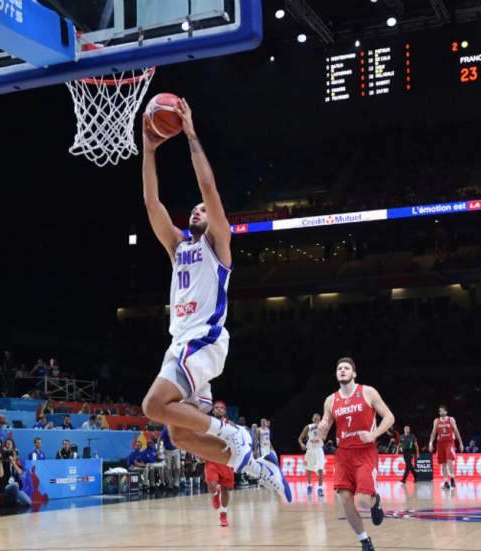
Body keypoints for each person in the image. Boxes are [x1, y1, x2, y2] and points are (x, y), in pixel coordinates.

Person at [137, 100, 288, 500]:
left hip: (204, 338)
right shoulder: (176, 245)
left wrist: (189, 133)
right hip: (181, 342)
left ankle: (234, 433)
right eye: (194, 209)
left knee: (152, 405)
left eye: (205, 209)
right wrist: (149, 151)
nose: (198, 209)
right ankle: (255, 465)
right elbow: (153, 204)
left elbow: (208, 187)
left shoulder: (219, 245)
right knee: (179, 435)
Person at [316, 358, 395, 551]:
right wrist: (321, 429)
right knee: (344, 499)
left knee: (363, 501)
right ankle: (364, 540)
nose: (342, 370)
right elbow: (323, 433)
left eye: (346, 368)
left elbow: (390, 417)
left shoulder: (367, 392)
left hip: (365, 452)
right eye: (339, 368)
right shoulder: (331, 400)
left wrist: (373, 435)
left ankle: (375, 502)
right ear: (336, 374)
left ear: (354, 373)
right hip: (343, 455)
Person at [205, 401, 236, 527]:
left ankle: (223, 514)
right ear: (213, 411)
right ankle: (215, 494)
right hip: (212, 457)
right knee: (212, 485)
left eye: (221, 408)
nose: (218, 410)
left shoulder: (231, 425)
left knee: (225, 487)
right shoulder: (207, 423)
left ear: (225, 411)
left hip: (226, 459)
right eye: (216, 408)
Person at [428, 405, 463, 491]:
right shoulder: (436, 421)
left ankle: (452, 478)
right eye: (440, 411)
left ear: (446, 412)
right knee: (443, 463)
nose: (441, 412)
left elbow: (456, 431)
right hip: (440, 444)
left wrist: (461, 443)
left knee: (449, 460)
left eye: (443, 411)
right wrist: (430, 443)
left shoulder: (451, 419)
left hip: (450, 442)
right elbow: (433, 433)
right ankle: (446, 482)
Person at [298, 413, 326, 496]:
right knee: (309, 469)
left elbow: (324, 438)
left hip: (319, 449)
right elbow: (300, 438)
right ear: (313, 419)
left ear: (320, 419)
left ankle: (320, 489)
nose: (316, 419)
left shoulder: (322, 426)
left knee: (320, 469)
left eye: (318, 418)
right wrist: (301, 444)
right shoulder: (308, 427)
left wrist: (322, 431)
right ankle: (309, 486)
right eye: (315, 418)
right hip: (310, 449)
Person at [160, 426, 182, 492]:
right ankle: (170, 485)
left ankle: (176, 484)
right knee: (168, 468)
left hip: (176, 450)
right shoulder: (165, 429)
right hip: (167, 451)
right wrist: (158, 449)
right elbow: (159, 438)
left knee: (178, 467)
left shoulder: (176, 427)